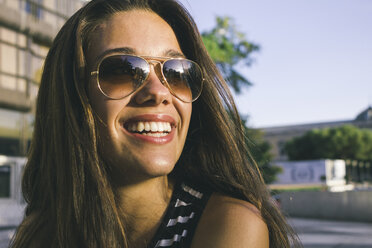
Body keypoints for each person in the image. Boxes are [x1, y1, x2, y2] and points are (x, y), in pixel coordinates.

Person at [10, 0, 301, 247]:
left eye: (177, 73)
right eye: (122, 69)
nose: (159, 91)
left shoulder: (229, 227)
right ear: (72, 96)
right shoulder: (39, 232)